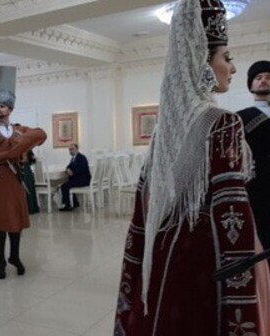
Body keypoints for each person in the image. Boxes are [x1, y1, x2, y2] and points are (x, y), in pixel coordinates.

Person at [114, 1, 270, 335]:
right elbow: (233, 213)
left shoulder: (166, 127)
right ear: (203, 63)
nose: (233, 67)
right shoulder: (222, 121)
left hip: (164, 249)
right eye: (226, 58)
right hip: (206, 257)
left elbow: (144, 205)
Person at [0, 89, 46, 279]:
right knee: (1, 220)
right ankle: (1, 260)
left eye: (2, 106)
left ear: (10, 109)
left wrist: (21, 141)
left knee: (15, 218)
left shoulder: (19, 129)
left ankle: (14, 256)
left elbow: (40, 135)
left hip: (16, 177)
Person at [236, 60, 270, 252]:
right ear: (251, 84)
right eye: (258, 78)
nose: (263, 81)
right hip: (255, 188)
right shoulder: (240, 118)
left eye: (268, 77)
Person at [58, 143, 91, 211]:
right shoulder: (73, 158)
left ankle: (68, 205)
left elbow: (82, 169)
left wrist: (72, 172)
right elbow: (68, 167)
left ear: (77, 149)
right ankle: (75, 203)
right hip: (79, 179)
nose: (71, 151)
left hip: (83, 180)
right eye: (69, 150)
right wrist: (67, 170)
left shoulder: (81, 158)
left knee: (64, 186)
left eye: (72, 149)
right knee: (67, 184)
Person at [21, 150, 39, 214]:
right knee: (24, 188)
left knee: (30, 187)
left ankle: (32, 208)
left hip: (27, 170)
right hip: (22, 170)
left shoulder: (29, 151)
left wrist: (29, 160)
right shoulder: (18, 151)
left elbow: (33, 161)